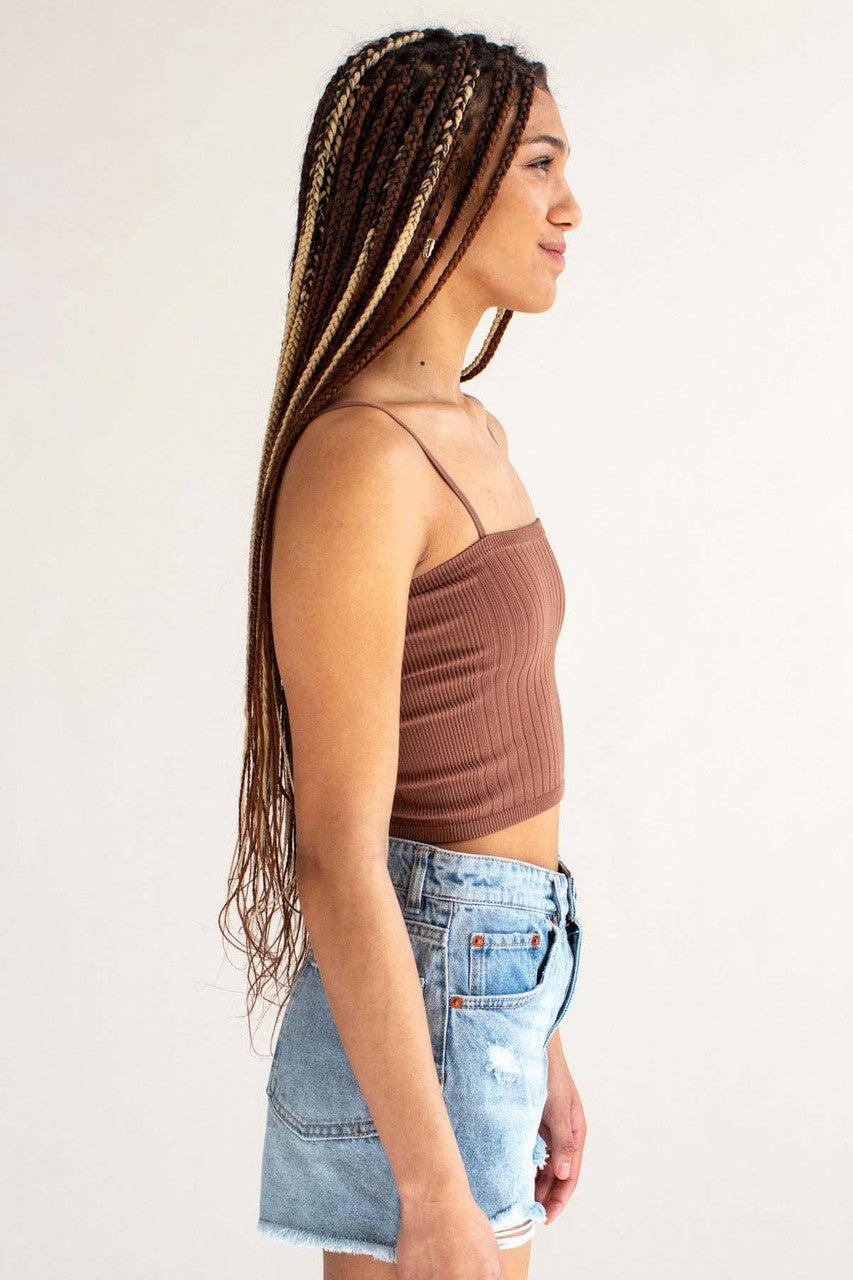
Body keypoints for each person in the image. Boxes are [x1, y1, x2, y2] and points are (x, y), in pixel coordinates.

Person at [219, 26, 586, 1280]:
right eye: (539, 164)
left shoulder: (467, 428)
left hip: (489, 979)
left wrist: (543, 1033)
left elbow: (482, 766)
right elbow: (340, 852)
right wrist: (429, 1185)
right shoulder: (367, 458)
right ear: (436, 180)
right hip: (424, 1000)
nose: (569, 206)